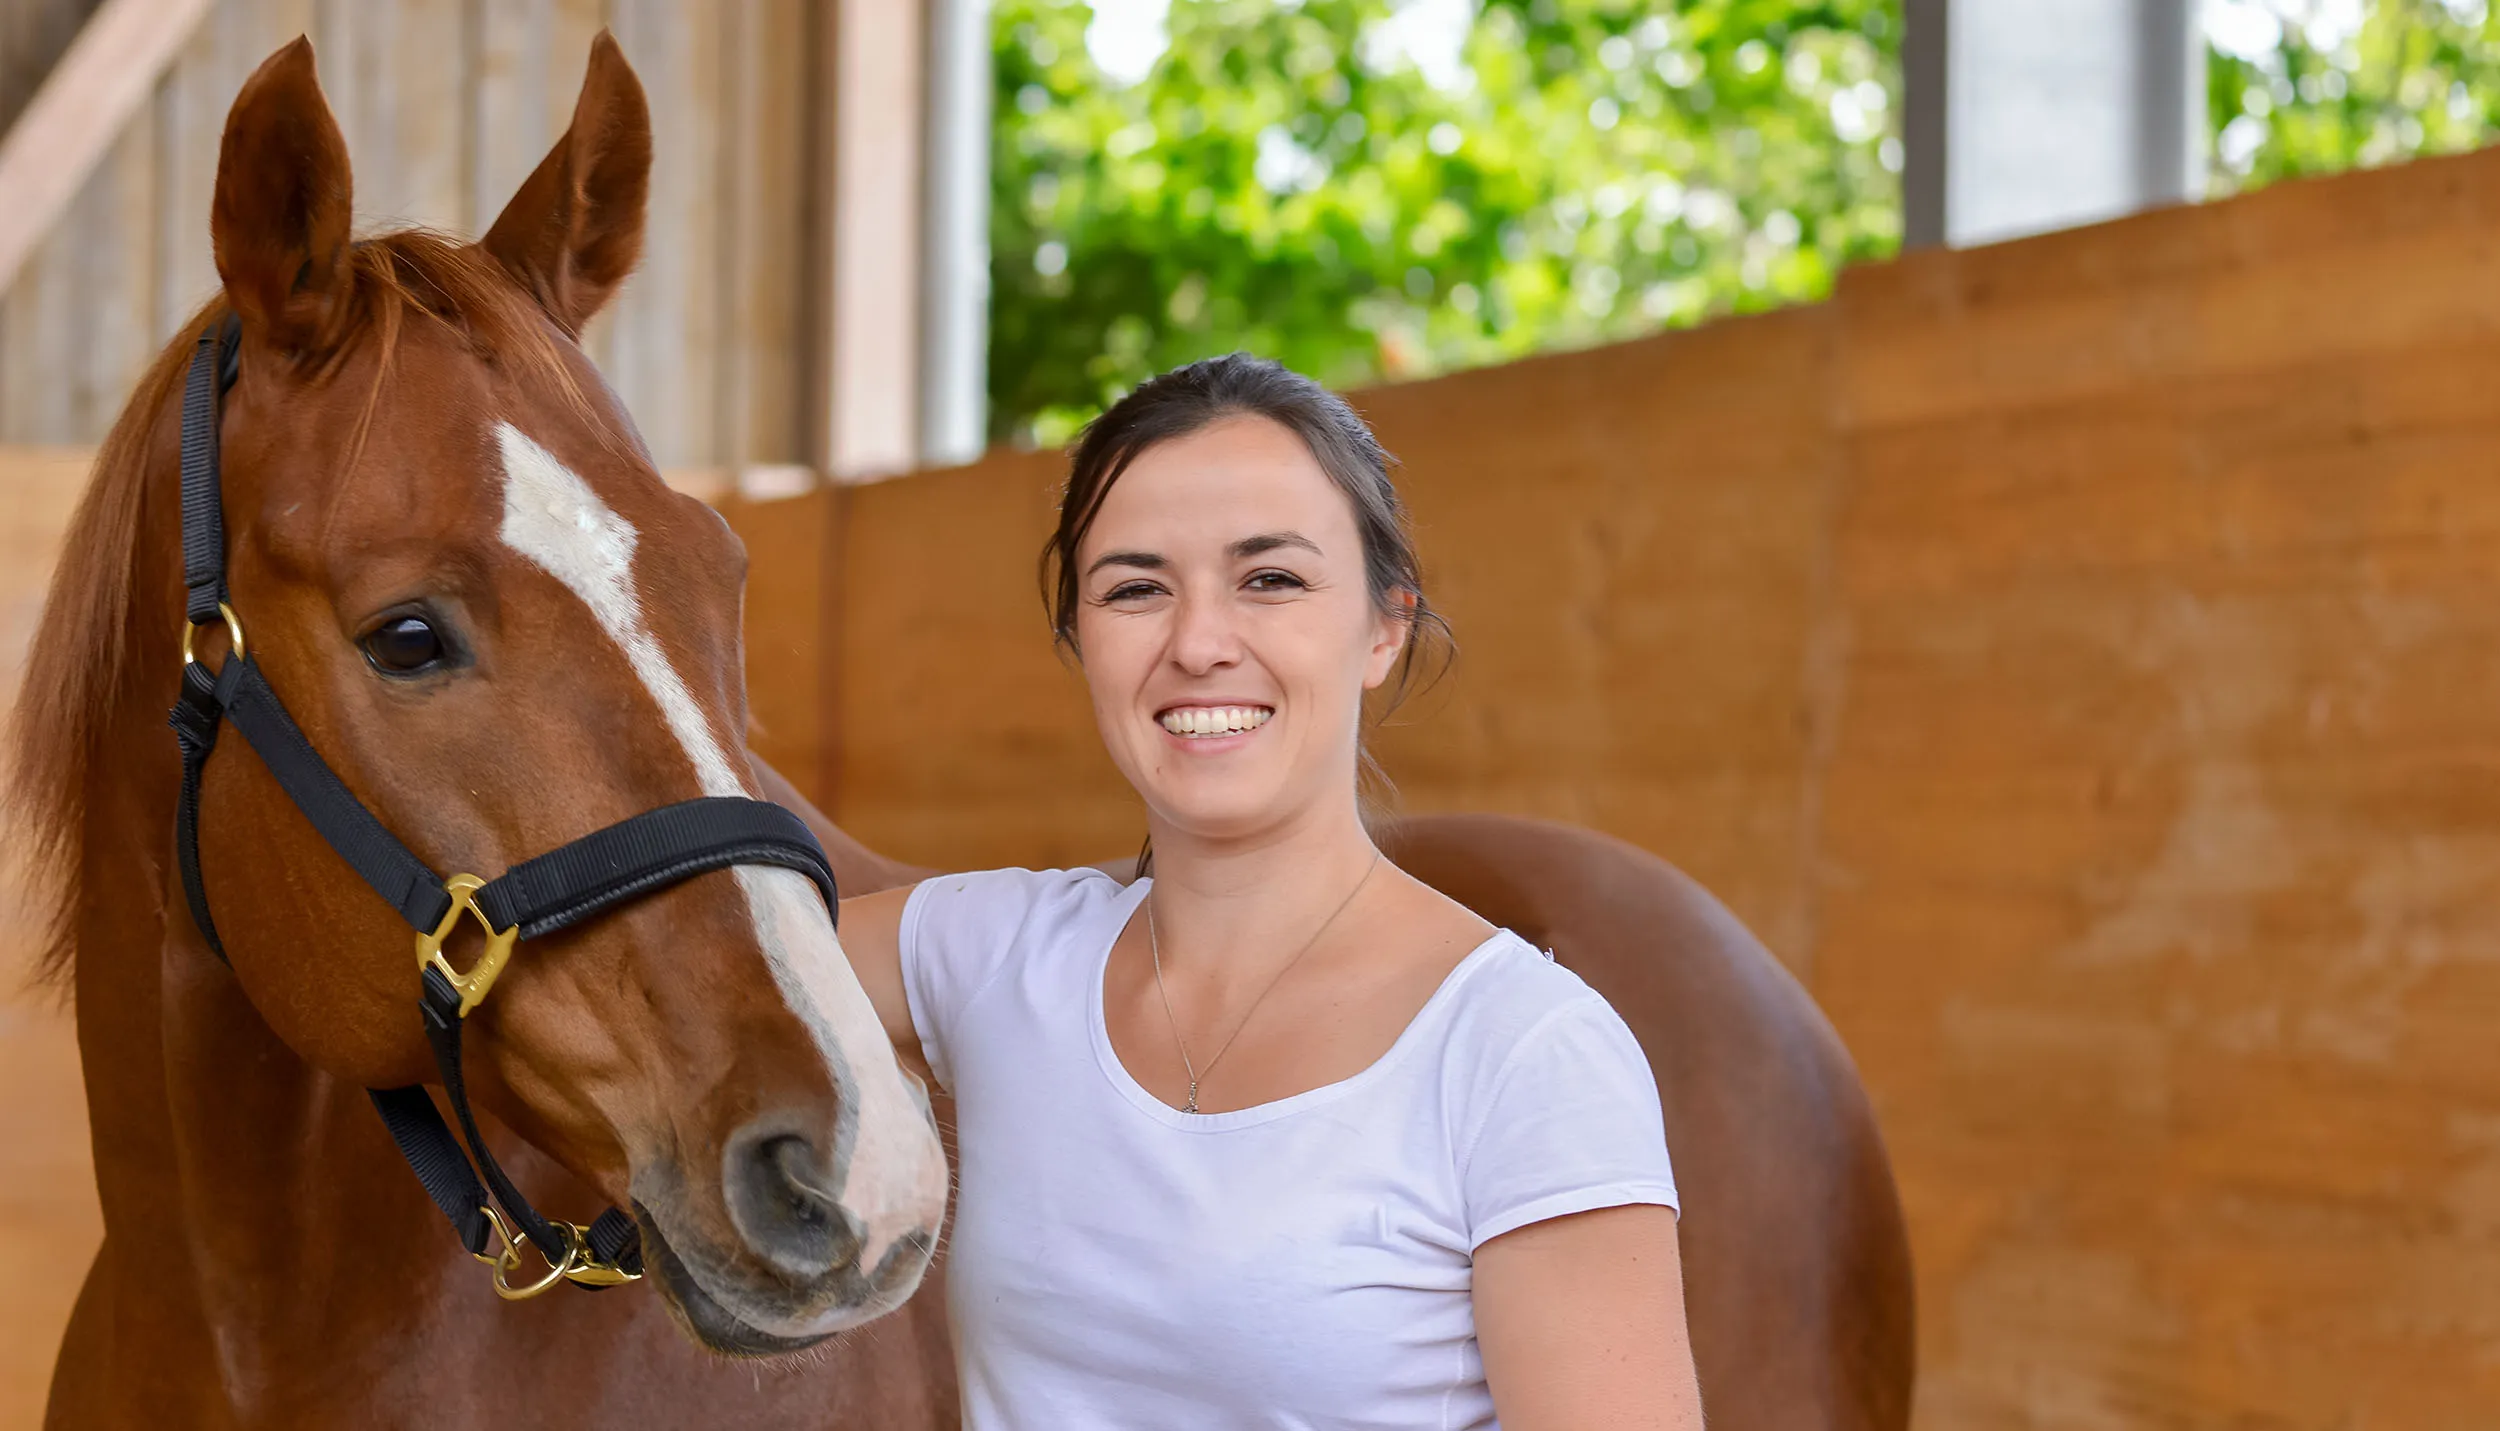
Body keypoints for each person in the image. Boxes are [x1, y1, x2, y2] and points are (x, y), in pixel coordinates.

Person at [836, 353, 1701, 1429]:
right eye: (1135, 589)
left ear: (1384, 627)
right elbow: (676, 958)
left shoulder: (1524, 1053)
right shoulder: (989, 956)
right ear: (1081, 643)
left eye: (1271, 580)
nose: (1198, 643)